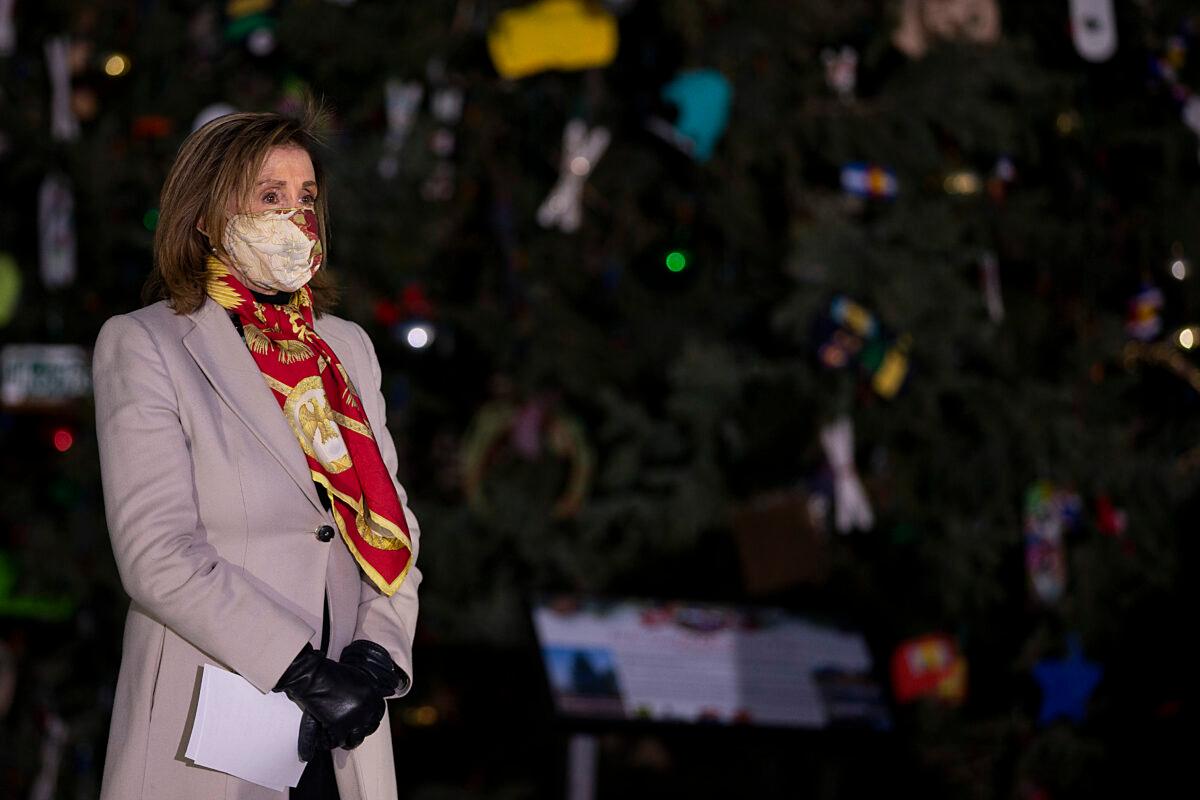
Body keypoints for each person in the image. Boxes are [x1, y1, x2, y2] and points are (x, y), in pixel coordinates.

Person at [92, 106, 421, 800]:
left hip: (345, 731)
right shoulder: (146, 345)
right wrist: (299, 671)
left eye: (306, 199)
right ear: (206, 216)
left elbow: (392, 526)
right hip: (215, 721)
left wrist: (376, 656)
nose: (295, 215)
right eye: (270, 195)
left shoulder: (347, 349)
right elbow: (157, 554)